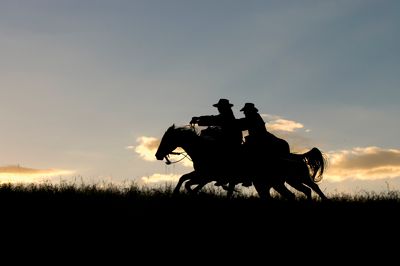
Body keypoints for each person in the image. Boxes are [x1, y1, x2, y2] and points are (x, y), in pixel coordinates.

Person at [190, 98, 243, 186]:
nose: (218, 108)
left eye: (220, 107)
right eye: (218, 107)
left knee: (218, 151)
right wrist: (199, 119)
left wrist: (198, 119)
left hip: (231, 140)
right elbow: (213, 119)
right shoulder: (225, 114)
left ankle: (223, 175)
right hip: (228, 138)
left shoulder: (226, 115)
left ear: (224, 107)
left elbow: (214, 119)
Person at [237, 103, 290, 186]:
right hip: (261, 138)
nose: (244, 113)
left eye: (245, 111)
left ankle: (247, 177)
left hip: (260, 140)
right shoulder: (254, 116)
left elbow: (243, 124)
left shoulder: (252, 117)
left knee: (245, 154)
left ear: (249, 110)